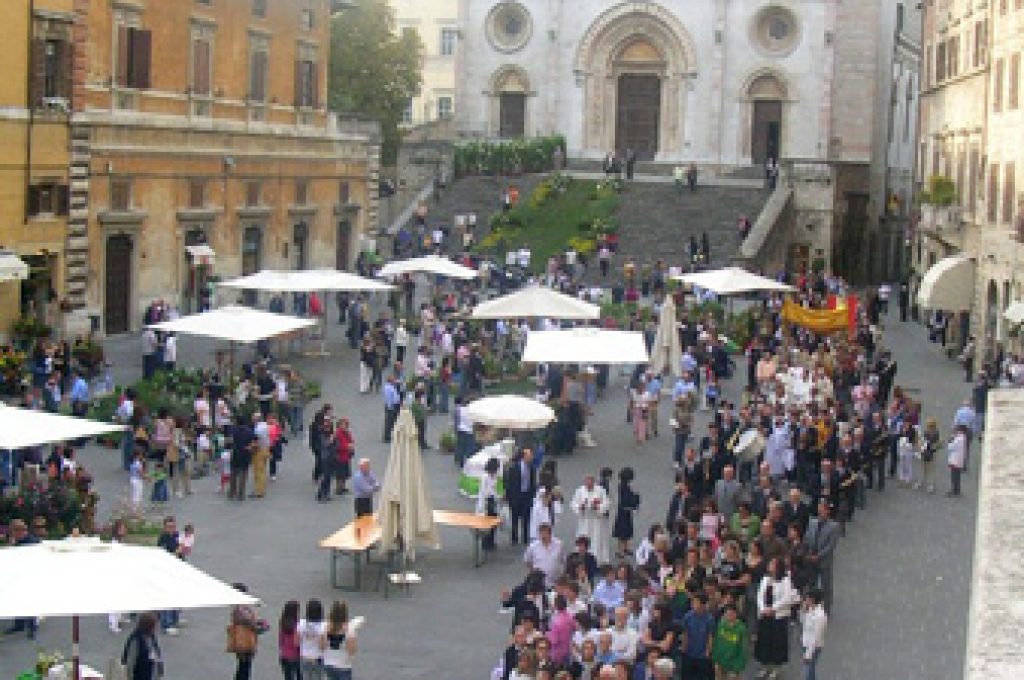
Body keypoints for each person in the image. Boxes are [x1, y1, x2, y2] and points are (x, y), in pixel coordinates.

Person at [754, 557, 799, 679]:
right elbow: (759, 595)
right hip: (765, 615)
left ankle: (776, 668)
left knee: (777, 642)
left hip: (778, 616)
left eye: (772, 564)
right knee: (764, 641)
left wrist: (773, 608)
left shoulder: (785, 580)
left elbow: (787, 598)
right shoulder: (765, 579)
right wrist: (763, 608)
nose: (770, 565)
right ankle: (765, 666)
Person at [804, 501, 840, 612]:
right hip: (811, 559)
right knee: (811, 583)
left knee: (826, 585)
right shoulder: (812, 522)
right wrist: (808, 553)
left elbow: (830, 546)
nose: (820, 512)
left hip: (824, 560)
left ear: (827, 511)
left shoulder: (834, 526)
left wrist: (818, 556)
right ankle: (811, 604)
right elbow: (807, 537)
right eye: (819, 510)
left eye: (822, 510)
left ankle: (826, 608)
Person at [572, 474, 612, 564]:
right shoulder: (579, 491)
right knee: (583, 539)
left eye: (591, 482)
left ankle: (598, 561)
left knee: (597, 540)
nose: (589, 484)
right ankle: (582, 560)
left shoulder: (601, 490)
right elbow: (574, 504)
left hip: (596, 521)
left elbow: (606, 503)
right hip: (585, 520)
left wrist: (598, 507)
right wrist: (580, 507)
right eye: (587, 482)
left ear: (594, 482)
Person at [504, 448, 536, 545]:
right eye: (530, 455)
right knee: (515, 517)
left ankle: (525, 537)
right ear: (524, 456)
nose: (531, 457)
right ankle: (514, 537)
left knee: (526, 517)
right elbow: (510, 483)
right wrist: (510, 497)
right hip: (516, 496)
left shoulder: (531, 467)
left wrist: (532, 494)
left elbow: (532, 482)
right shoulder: (514, 468)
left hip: (527, 495)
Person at [228, 583, 259, 680]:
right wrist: (259, 626)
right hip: (245, 640)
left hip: (241, 640)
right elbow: (249, 622)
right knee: (245, 666)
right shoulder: (241, 608)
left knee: (243, 665)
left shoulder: (239, 607)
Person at [322, 600, 358, 680]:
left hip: (328, 663)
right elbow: (352, 651)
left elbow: (321, 647)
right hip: (343, 666)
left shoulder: (325, 626)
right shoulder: (350, 630)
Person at [711, 604, 748, 680]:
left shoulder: (741, 629)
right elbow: (716, 643)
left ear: (736, 614)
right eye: (726, 614)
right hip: (721, 661)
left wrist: (739, 666)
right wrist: (715, 660)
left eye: (731, 614)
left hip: (734, 664)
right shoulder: (720, 625)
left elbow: (743, 648)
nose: (728, 616)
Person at [122, 612, 163, 680]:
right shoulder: (136, 640)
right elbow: (130, 662)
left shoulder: (151, 637)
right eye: (154, 626)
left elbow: (156, 653)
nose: (156, 628)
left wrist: (160, 669)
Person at [800, 589, 828, 680]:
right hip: (806, 642)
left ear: (812, 600)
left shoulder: (820, 615)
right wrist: (803, 612)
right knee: (808, 668)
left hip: (814, 647)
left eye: (807, 599)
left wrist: (809, 653)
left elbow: (816, 636)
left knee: (809, 670)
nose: (805, 600)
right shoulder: (810, 610)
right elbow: (802, 622)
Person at [612, 467, 640, 558]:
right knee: (622, 531)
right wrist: (635, 499)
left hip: (624, 511)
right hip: (624, 511)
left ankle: (625, 548)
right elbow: (626, 500)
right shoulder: (624, 487)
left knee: (626, 530)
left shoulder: (623, 485)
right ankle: (620, 551)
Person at [297, 599, 326, 680]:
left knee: (306, 677)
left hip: (304, 656)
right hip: (317, 657)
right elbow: (322, 646)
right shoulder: (323, 626)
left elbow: (296, 642)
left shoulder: (301, 623)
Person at [478, 457, 501, 551]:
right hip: (487, 502)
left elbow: (494, 489)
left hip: (493, 501)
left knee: (493, 523)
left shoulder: (494, 476)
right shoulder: (485, 477)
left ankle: (491, 541)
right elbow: (484, 491)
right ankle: (486, 543)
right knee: (487, 523)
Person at [278, 600, 302, 680]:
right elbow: (297, 643)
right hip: (295, 656)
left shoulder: (282, 622)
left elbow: (280, 640)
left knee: (288, 677)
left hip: (284, 655)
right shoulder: (297, 624)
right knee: (299, 676)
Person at [947, 424, 968, 497]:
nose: (956, 431)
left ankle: (954, 490)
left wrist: (950, 441)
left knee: (954, 476)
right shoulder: (962, 438)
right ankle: (956, 490)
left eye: (957, 430)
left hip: (955, 459)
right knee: (957, 475)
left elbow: (951, 447)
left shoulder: (959, 439)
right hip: (958, 459)